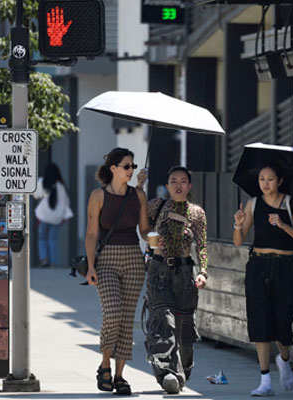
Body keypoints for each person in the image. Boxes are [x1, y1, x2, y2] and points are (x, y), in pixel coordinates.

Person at [232, 162, 293, 397]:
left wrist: (283, 224)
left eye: (270, 179)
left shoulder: (291, 203)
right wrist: (238, 224)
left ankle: (284, 359)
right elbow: (238, 240)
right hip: (258, 265)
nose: (265, 184)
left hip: (286, 266)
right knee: (259, 320)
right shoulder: (254, 203)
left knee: (283, 323)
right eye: (262, 179)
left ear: (280, 181)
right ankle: (265, 378)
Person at [136, 166, 208, 394]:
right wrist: (139, 186)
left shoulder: (197, 213)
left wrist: (203, 272)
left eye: (183, 180)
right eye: (173, 181)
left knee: (184, 328)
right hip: (159, 270)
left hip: (185, 273)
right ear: (167, 186)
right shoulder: (157, 205)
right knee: (162, 321)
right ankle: (167, 373)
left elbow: (203, 245)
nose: (178, 185)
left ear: (189, 186)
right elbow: (142, 226)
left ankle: (183, 368)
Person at [85, 148, 149, 395]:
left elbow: (144, 231)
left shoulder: (138, 196)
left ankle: (120, 375)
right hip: (107, 259)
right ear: (113, 169)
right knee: (112, 314)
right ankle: (104, 364)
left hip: (133, 257)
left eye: (132, 166)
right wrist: (91, 266)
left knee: (126, 319)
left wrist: (154, 239)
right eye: (126, 166)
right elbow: (92, 233)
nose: (131, 170)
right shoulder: (98, 195)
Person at [33, 163, 73, 267]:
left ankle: (44, 259)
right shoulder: (61, 186)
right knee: (53, 240)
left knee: (42, 239)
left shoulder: (42, 182)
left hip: (43, 217)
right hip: (56, 218)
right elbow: (66, 202)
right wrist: (64, 217)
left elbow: (36, 195)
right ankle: (53, 262)